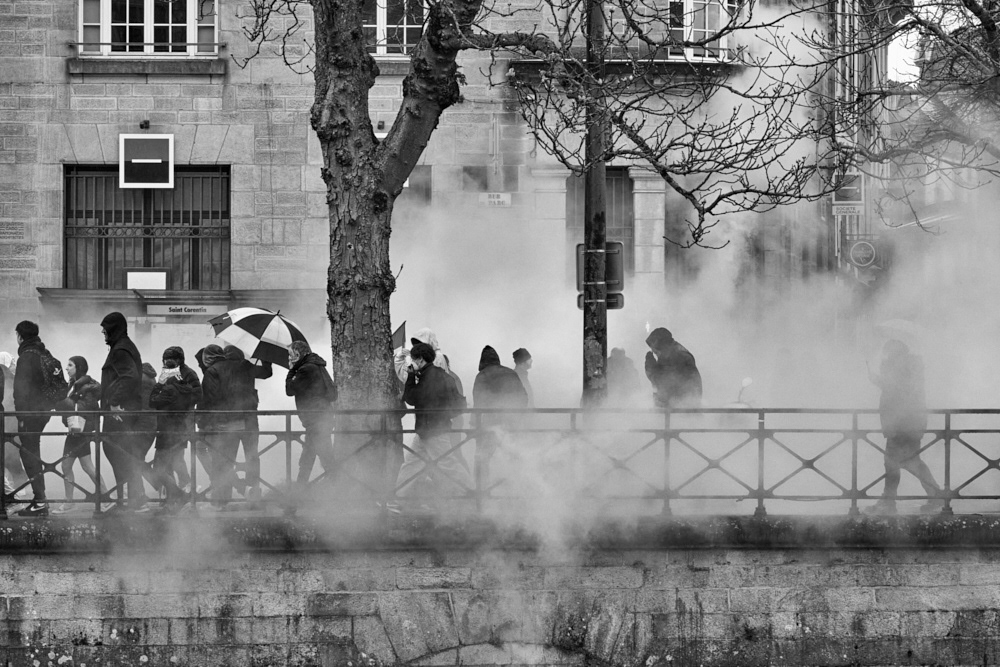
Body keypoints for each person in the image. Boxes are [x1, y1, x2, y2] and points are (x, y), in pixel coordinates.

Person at [866, 339, 943, 515]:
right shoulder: (910, 364)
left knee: (892, 461)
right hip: (910, 421)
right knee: (911, 460)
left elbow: (899, 391)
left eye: (887, 350)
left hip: (902, 422)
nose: (885, 354)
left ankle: (888, 502)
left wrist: (879, 380)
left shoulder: (902, 366)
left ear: (895, 351)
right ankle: (935, 494)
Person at [394, 342, 471, 510]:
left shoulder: (425, 378)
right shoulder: (443, 375)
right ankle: (399, 499)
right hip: (433, 428)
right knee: (413, 464)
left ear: (420, 360)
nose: (412, 363)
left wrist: (410, 379)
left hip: (431, 430)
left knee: (447, 464)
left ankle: (471, 493)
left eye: (413, 360)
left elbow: (411, 398)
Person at [99, 312, 146, 513]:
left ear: (114, 328)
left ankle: (132, 500)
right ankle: (130, 499)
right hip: (126, 409)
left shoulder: (120, 349)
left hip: (121, 411)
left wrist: (114, 403)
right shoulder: (123, 346)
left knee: (118, 452)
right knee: (123, 453)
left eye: (106, 328)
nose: (103, 331)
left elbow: (129, 377)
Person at [148, 346, 202, 512]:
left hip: (174, 426)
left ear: (179, 359)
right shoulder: (181, 377)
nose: (165, 363)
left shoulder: (188, 374)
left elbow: (197, 395)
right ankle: (177, 496)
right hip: (177, 425)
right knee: (175, 461)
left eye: (167, 360)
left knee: (171, 463)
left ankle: (181, 493)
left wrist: (165, 386)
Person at [52, 356, 108, 514]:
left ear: (79, 367)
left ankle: (104, 498)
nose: (67, 368)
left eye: (70, 365)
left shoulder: (86, 387)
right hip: (76, 430)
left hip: (81, 431)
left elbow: (87, 408)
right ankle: (103, 498)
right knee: (73, 465)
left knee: (84, 466)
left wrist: (66, 404)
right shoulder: (74, 384)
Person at [12, 321, 57, 516]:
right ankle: (40, 499)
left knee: (28, 453)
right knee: (32, 451)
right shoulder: (44, 353)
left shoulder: (26, 356)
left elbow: (20, 390)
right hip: (43, 412)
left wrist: (21, 416)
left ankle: (40, 500)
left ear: (20, 336)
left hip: (30, 413)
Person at [285, 341, 338, 498]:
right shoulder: (317, 365)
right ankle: (298, 497)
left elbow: (290, 390)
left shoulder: (306, 369)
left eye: (290, 354)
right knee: (314, 458)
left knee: (318, 459)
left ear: (297, 354)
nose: (289, 358)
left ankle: (297, 499)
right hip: (321, 419)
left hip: (316, 420)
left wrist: (291, 370)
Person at [199, 344, 248, 509]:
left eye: (205, 357)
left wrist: (203, 421)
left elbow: (210, 399)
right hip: (238, 421)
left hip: (218, 423)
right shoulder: (237, 368)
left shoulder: (212, 371)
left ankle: (219, 501)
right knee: (228, 461)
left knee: (218, 463)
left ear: (209, 357)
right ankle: (229, 496)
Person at [472, 345, 528, 488]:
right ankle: (518, 491)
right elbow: (523, 397)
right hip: (512, 423)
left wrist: (475, 423)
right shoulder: (510, 373)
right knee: (514, 457)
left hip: (491, 424)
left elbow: (478, 401)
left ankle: (482, 493)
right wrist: (517, 416)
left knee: (482, 459)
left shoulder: (482, 375)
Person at [644, 327, 702, 408]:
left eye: (655, 350)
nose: (653, 352)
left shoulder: (675, 357)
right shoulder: (674, 353)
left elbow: (663, 384)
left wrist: (650, 367)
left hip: (678, 411)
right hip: (681, 408)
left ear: (661, 346)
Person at [0, 352, 27, 503]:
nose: (14, 365)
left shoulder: (7, 376)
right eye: (12, 362)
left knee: (10, 457)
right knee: (11, 456)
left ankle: (17, 491)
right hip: (11, 421)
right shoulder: (10, 376)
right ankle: (18, 489)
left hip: (8, 421)